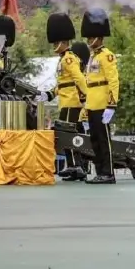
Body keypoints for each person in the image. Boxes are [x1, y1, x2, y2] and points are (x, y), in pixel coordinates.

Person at [43, 12, 90, 181]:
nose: (55, 45)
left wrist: (87, 96)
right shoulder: (63, 60)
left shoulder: (69, 59)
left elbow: (79, 78)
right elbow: (62, 84)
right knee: (73, 134)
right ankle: (76, 165)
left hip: (71, 103)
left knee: (67, 135)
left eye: (56, 42)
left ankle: (74, 165)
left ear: (63, 42)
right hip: (65, 101)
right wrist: (49, 94)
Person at [81, 9, 119, 185]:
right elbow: (89, 83)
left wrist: (112, 105)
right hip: (92, 104)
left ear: (99, 37)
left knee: (104, 141)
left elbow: (113, 81)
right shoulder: (92, 57)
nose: (89, 41)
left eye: (91, 37)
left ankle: (108, 172)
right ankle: (100, 171)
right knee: (95, 141)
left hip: (103, 104)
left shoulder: (107, 56)